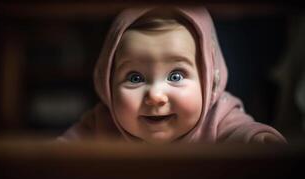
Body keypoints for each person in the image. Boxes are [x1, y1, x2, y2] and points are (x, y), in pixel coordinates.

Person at [59, 6, 287, 144]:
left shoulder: (219, 117)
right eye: (135, 78)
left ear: (209, 81)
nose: (156, 96)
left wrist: (257, 141)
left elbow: (241, 133)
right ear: (108, 84)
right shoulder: (102, 123)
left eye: (176, 76)